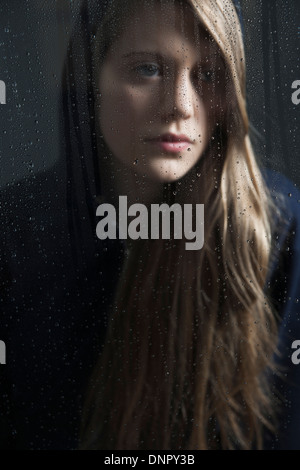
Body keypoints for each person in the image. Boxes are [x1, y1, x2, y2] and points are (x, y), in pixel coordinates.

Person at [67, 0, 300, 450]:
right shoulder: (23, 234)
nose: (180, 106)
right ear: (92, 78)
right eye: (149, 68)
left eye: (209, 75)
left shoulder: (278, 228)